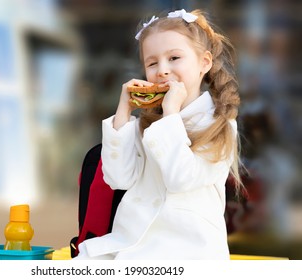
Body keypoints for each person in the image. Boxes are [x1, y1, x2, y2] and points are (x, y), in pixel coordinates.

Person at [74, 9, 242, 260]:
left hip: (190, 251)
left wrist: (171, 113)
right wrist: (124, 111)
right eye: (152, 63)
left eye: (174, 58)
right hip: (133, 243)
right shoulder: (150, 121)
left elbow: (179, 179)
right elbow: (119, 179)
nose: (162, 70)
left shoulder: (220, 124)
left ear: (204, 63)